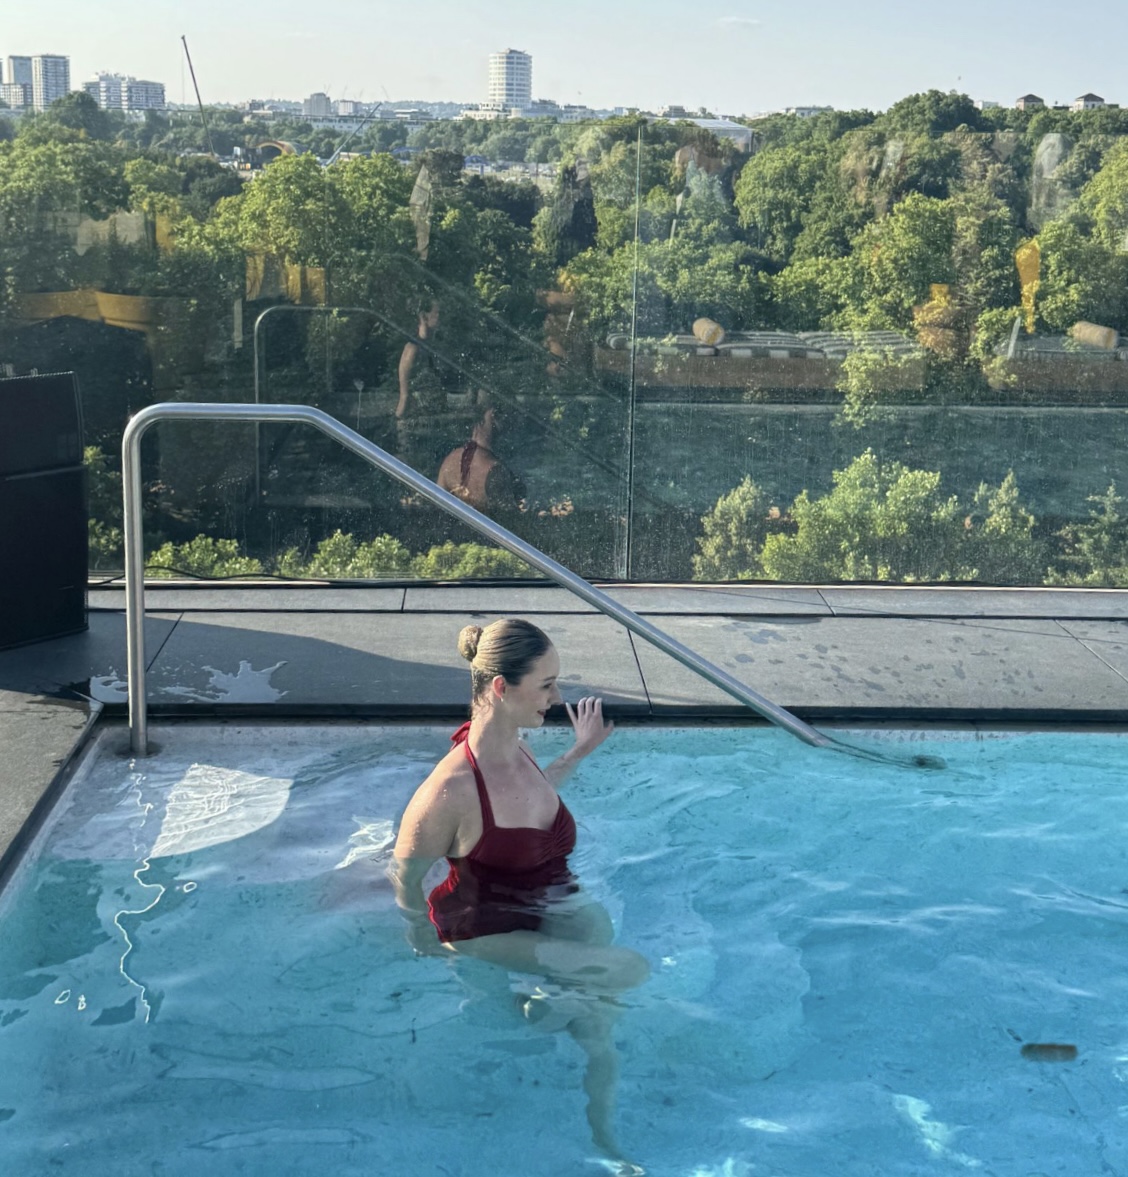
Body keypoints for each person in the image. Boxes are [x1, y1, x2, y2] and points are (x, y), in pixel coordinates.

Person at [390, 619, 648, 1173]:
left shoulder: (519, 748)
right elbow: (405, 870)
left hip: (546, 903)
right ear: (502, 688)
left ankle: (607, 1145)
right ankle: (532, 1014)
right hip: (485, 928)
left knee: (598, 1023)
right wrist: (420, 936)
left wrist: (579, 752)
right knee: (628, 969)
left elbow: (530, 802)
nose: (558, 699)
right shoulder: (450, 790)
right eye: (547, 685)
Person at [435, 400, 525, 514]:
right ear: (493, 416)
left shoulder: (449, 461)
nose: (506, 423)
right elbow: (511, 520)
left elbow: (437, 506)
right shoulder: (495, 470)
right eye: (502, 417)